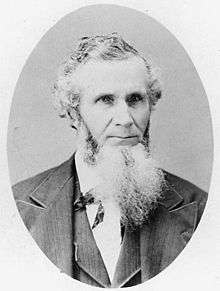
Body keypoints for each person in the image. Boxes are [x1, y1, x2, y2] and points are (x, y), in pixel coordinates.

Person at [12, 33, 207, 288]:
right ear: (73, 113)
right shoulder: (18, 208)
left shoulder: (200, 208)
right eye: (106, 100)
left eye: (135, 99)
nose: (125, 118)